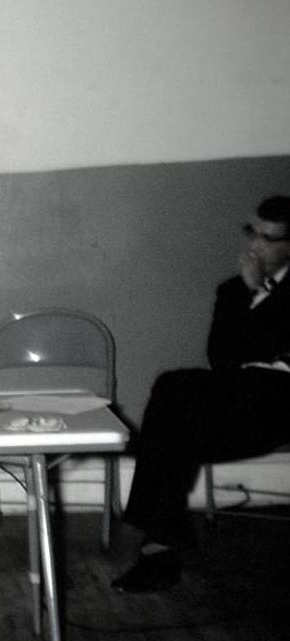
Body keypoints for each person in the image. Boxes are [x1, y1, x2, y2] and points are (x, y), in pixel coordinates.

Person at [111, 195, 290, 593]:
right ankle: (158, 536)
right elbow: (222, 359)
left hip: (282, 401)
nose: (254, 246)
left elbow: (270, 346)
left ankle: (141, 534)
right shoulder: (232, 290)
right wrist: (245, 293)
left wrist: (257, 297)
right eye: (251, 232)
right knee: (174, 410)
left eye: (269, 238)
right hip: (237, 398)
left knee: (173, 400)